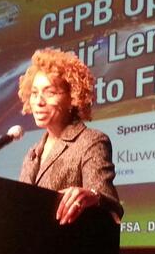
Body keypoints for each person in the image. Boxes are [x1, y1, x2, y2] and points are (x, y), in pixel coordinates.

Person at [18, 48, 123, 225]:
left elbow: (110, 205)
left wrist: (93, 196)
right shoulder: (32, 154)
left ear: (73, 97)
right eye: (35, 93)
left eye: (50, 92)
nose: (39, 101)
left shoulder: (91, 142)